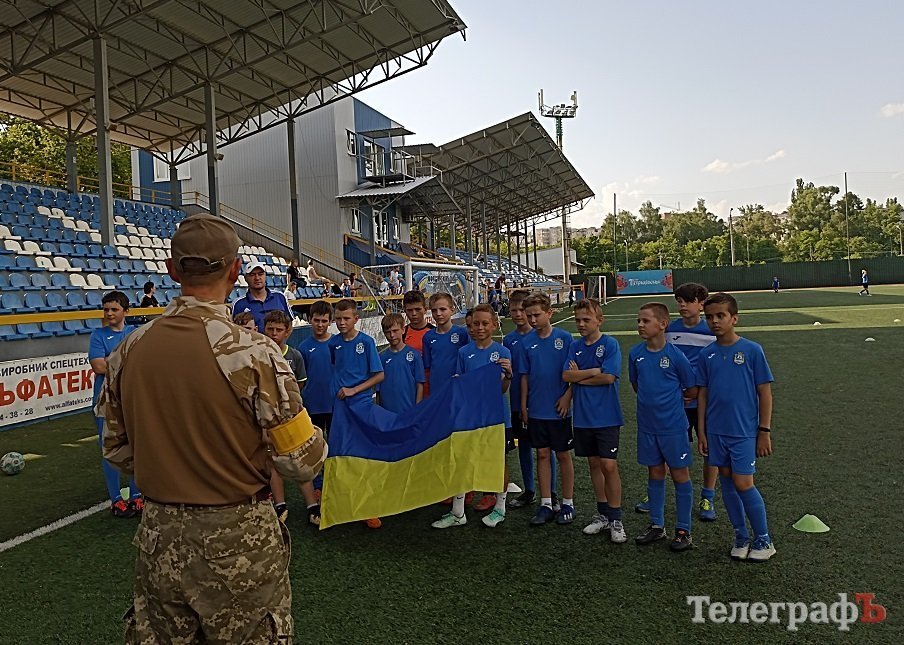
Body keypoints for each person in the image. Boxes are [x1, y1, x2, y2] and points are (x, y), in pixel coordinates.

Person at [97, 213, 326, 642]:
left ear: (172, 269)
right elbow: (301, 462)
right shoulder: (256, 352)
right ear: (235, 271)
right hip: (239, 538)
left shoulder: (129, 349)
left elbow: (116, 449)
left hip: (159, 536)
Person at [697, 292, 776, 562]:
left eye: (721, 316)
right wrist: (702, 432)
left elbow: (764, 393)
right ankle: (741, 536)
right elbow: (703, 395)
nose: (715, 321)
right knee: (727, 481)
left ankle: (763, 539)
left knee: (743, 482)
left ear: (734, 318)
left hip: (743, 431)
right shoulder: (706, 354)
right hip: (716, 431)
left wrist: (764, 431)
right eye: (709, 317)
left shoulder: (752, 350)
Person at [433, 304, 513, 529]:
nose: (480, 327)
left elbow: (502, 389)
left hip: (495, 418)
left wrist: (508, 375)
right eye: (475, 323)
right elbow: (461, 384)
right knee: (463, 460)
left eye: (485, 323)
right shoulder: (464, 352)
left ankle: (500, 508)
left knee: (499, 462)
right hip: (470, 418)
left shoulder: (503, 352)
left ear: (494, 325)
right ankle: (458, 512)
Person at [629, 303, 698, 552]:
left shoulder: (675, 356)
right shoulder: (635, 354)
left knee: (680, 475)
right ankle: (657, 525)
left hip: (673, 428)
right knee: (655, 473)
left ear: (662, 324)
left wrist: (671, 403)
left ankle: (683, 530)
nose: (640, 325)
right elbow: (636, 385)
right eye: (639, 320)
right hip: (648, 427)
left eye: (645, 321)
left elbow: (691, 389)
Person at [562, 298, 626, 543]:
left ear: (600, 320)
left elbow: (609, 378)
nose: (581, 324)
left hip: (607, 415)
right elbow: (566, 375)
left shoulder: (609, 344)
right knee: (594, 464)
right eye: (578, 320)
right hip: (583, 417)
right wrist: (592, 371)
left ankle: (616, 518)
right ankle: (602, 514)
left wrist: (579, 377)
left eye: (586, 320)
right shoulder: (575, 346)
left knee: (609, 465)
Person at [660, 282, 718, 521]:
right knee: (668, 448)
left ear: (701, 304)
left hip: (704, 403)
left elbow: (716, 367)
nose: (682, 305)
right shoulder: (669, 330)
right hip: (676, 404)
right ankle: (656, 493)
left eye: (687, 301)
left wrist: (698, 391)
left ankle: (707, 497)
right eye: (679, 301)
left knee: (709, 450)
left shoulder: (712, 331)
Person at [519, 293, 575, 526]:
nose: (532, 320)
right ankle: (545, 503)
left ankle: (568, 503)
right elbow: (524, 376)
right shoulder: (526, 342)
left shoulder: (565, 338)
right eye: (529, 315)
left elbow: (573, 373)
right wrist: (524, 405)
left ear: (549, 313)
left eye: (537, 315)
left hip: (559, 408)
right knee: (542, 454)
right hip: (536, 408)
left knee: (562, 454)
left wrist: (567, 396)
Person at [329, 299, 385, 529]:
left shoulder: (366, 342)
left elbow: (379, 375)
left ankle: (369, 506)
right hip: (341, 407)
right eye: (338, 319)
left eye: (346, 318)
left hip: (362, 405)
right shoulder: (334, 343)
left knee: (364, 453)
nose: (342, 323)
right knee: (342, 453)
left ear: (356, 319)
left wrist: (354, 390)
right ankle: (344, 503)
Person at [89, 290, 140, 518]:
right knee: (109, 448)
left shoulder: (134, 333)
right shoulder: (98, 335)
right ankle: (116, 499)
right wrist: (125, 359)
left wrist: (112, 359)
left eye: (114, 309)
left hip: (131, 397)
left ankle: (137, 495)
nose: (109, 313)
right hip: (105, 400)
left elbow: (140, 361)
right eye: (106, 309)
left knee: (136, 446)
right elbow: (98, 366)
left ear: (126, 311)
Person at [504, 289, 555, 509]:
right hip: (518, 402)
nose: (517, 315)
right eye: (513, 310)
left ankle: (551, 492)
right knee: (523, 445)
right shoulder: (509, 340)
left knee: (546, 449)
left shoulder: (543, 336)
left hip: (542, 402)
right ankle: (530, 490)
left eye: (520, 310)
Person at [263, 310, 308, 524]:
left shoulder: (295, 355)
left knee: (299, 458)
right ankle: (280, 504)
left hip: (291, 416)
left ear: (288, 332)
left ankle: (311, 505)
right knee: (272, 459)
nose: (274, 333)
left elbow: (300, 383)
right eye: (270, 329)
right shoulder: (259, 354)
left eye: (278, 330)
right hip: (267, 416)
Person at [298, 300, 335, 519]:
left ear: (330, 322)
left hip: (334, 404)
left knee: (335, 445)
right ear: (309, 320)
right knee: (315, 449)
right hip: (312, 405)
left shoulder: (336, 344)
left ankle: (335, 481)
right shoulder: (304, 347)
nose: (320, 325)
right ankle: (318, 485)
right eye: (316, 320)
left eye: (324, 321)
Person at [422, 292, 469, 396]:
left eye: (443, 309)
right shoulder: (428, 337)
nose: (438, 313)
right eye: (434, 310)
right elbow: (428, 367)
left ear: (452, 310)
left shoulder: (462, 334)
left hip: (458, 387)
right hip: (437, 389)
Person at [377, 313, 425, 414]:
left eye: (395, 331)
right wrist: (379, 412)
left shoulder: (414, 355)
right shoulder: (381, 358)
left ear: (403, 330)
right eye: (388, 332)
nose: (392, 335)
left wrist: (417, 410)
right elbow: (378, 390)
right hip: (387, 413)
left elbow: (420, 384)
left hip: (409, 411)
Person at [231, 260, 292, 331]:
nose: (257, 278)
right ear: (245, 278)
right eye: (252, 275)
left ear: (265, 276)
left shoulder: (280, 297)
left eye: (260, 274)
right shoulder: (238, 304)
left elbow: (290, 324)